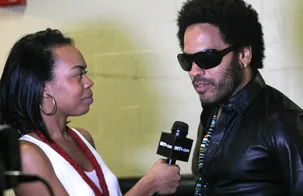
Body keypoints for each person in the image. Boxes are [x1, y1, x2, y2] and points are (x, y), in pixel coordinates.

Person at [0, 28, 180, 196]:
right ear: (45, 88)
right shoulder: (27, 155)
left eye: (85, 73)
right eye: (78, 75)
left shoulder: (83, 138)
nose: (89, 82)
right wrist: (148, 185)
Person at [175, 0, 303, 195]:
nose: (194, 71)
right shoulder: (211, 114)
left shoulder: (284, 122)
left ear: (244, 54)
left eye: (207, 58)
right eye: (187, 61)